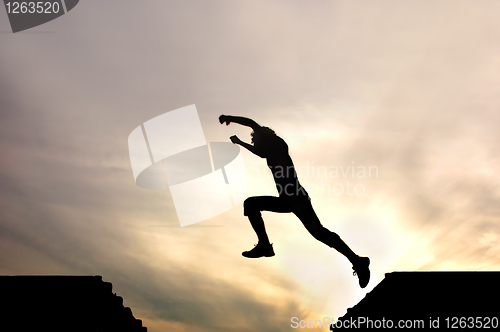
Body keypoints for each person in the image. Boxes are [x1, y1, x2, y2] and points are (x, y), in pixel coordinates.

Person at [219, 115, 371, 288]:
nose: (255, 144)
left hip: (296, 197)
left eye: (256, 141)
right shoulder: (271, 147)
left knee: (319, 233)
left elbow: (253, 129)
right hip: (287, 199)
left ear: (263, 137)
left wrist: (235, 131)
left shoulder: (276, 144)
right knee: (251, 204)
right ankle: (264, 246)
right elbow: (260, 149)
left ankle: (358, 261)